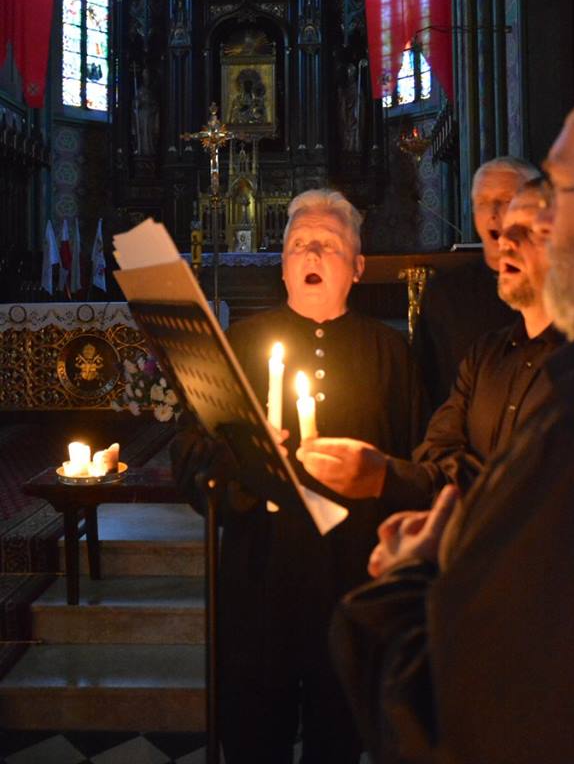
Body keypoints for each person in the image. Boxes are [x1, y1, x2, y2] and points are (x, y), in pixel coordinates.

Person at [331, 73, 574, 764]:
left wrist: (408, 579)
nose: (525, 230)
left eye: (561, 194)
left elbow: (461, 718)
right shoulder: (546, 374)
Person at [172, 188, 429, 764]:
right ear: (283, 266)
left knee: (338, 739)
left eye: (328, 244)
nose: (311, 254)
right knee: (251, 737)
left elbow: (417, 466)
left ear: (357, 267)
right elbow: (190, 457)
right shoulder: (237, 347)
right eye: (298, 245)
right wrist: (239, 464)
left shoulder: (391, 353)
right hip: (258, 579)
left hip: (353, 582)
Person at [297, 179, 563, 504]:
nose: (505, 240)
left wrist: (393, 477)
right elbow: (436, 451)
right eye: (507, 229)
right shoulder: (485, 356)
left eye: (531, 231)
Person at [414, 156, 539, 408]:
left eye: (506, 200)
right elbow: (426, 385)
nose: (492, 213)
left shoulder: (562, 288)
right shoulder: (445, 294)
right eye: (482, 202)